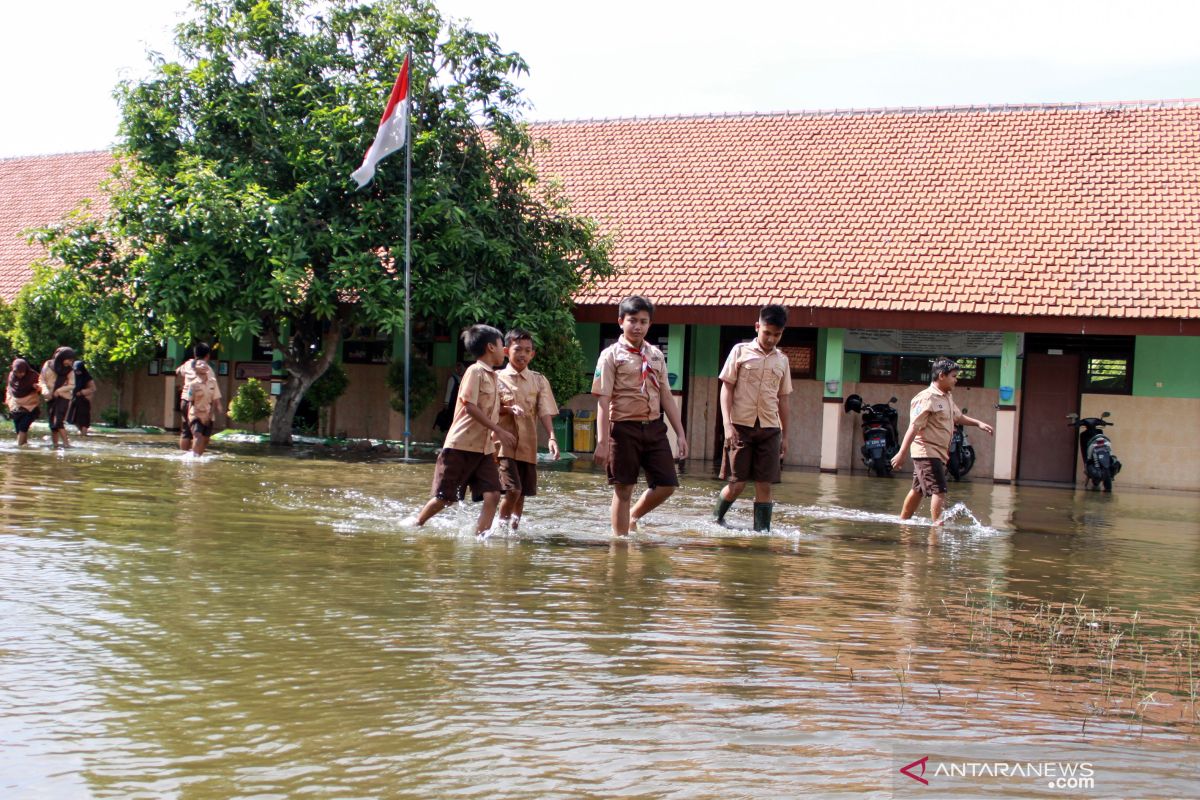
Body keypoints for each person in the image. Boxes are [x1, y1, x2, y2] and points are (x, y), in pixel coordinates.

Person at [592, 295, 689, 536]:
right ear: (620, 322)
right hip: (623, 429)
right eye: (632, 320)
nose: (638, 327)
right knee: (623, 489)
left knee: (667, 484)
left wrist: (681, 434)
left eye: (643, 322)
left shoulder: (655, 355)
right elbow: (603, 401)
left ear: (649, 324)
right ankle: (619, 543)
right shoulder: (611, 355)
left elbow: (666, 395)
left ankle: (633, 516)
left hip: (654, 428)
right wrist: (602, 442)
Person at [414, 325, 523, 537]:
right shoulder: (474, 371)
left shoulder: (493, 376)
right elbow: (469, 406)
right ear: (491, 347)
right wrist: (498, 430)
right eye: (503, 345)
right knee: (445, 499)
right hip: (460, 446)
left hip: (483, 450)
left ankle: (480, 538)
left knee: (492, 494)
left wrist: (507, 409)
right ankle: (417, 524)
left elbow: (487, 407)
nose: (506, 350)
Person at [713, 304, 793, 532]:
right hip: (740, 427)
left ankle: (762, 533)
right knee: (737, 484)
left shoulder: (782, 361)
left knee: (765, 485)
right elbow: (726, 388)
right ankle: (716, 519)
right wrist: (727, 426)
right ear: (758, 327)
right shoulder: (739, 351)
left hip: (770, 429)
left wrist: (786, 436)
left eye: (776, 335)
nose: (771, 339)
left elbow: (784, 400)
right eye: (767, 333)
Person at [891, 357, 995, 526]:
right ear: (941, 376)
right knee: (940, 489)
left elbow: (958, 416)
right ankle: (937, 526)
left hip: (938, 452)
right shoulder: (926, 398)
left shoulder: (947, 396)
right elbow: (914, 426)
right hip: (926, 451)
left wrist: (978, 423)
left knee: (917, 490)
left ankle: (903, 522)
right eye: (954, 376)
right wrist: (902, 453)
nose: (956, 379)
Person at [496, 329, 560, 530]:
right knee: (513, 490)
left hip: (527, 445)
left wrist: (552, 437)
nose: (522, 354)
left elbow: (544, 411)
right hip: (502, 444)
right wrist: (507, 409)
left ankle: (513, 531)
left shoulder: (539, 380)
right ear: (507, 351)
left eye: (527, 350)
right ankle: (500, 528)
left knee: (522, 492)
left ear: (533, 354)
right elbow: (488, 409)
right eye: (518, 349)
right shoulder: (496, 378)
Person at [178, 343, 223, 456]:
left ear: (195, 354)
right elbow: (213, 391)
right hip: (201, 402)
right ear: (208, 355)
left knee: (186, 431)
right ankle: (196, 456)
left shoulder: (188, 364)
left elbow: (178, 371)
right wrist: (217, 406)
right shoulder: (208, 369)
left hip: (185, 400)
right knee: (202, 433)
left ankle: (185, 456)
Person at [40, 346, 76, 448]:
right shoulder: (48, 365)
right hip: (50, 397)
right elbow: (41, 379)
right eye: (69, 360)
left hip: (63, 397)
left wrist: (59, 390)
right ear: (62, 357)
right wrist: (45, 390)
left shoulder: (69, 371)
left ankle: (67, 444)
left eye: (72, 361)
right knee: (52, 424)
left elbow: (72, 385)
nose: (70, 363)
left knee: (58, 421)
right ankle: (55, 444)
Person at [6, 358, 42, 446]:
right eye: (17, 372)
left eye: (22, 372)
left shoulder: (33, 375)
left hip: (30, 407)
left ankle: (19, 449)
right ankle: (24, 446)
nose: (20, 374)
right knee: (19, 429)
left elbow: (41, 388)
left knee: (23, 427)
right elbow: (10, 389)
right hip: (16, 407)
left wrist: (37, 387)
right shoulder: (11, 376)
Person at [434, 361, 467, 434]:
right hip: (453, 404)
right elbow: (449, 391)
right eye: (458, 367)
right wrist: (446, 403)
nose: (459, 369)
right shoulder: (453, 379)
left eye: (461, 367)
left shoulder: (465, 379)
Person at [67, 360, 97, 436]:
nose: (77, 372)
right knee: (73, 418)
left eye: (79, 370)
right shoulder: (72, 376)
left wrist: (82, 392)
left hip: (84, 400)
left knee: (83, 419)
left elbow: (93, 388)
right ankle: (81, 432)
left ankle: (84, 434)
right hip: (74, 400)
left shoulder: (87, 377)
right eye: (76, 370)